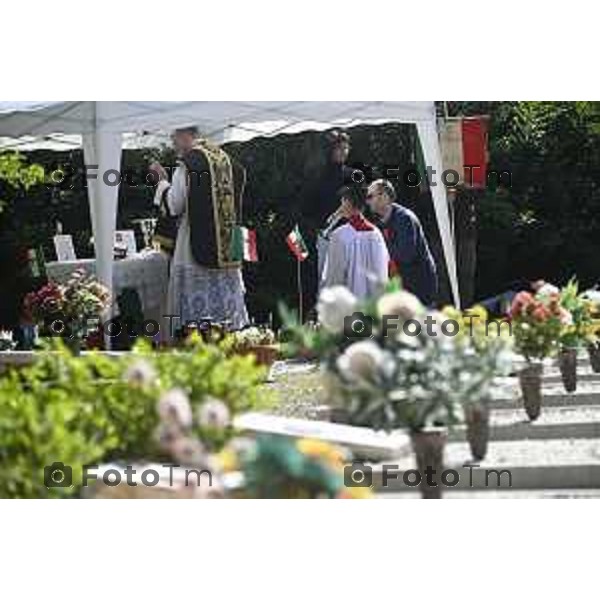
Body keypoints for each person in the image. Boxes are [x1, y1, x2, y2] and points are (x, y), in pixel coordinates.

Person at [150, 126, 249, 338]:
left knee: (196, 321)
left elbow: (173, 206)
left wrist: (162, 182)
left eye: (174, 135)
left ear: (188, 134)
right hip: (229, 248)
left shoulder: (190, 163)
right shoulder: (227, 161)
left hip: (195, 248)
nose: (172, 141)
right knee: (225, 318)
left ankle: (197, 350)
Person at [366, 179, 438, 305]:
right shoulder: (381, 222)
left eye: (370, 196)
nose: (367, 201)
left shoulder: (404, 218)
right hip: (404, 289)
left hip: (419, 287)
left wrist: (380, 249)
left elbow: (406, 254)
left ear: (384, 196)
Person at [321, 187, 389, 299]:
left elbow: (334, 279)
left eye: (342, 202)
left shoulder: (339, 235)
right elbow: (383, 271)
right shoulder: (377, 234)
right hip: (373, 306)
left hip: (350, 308)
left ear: (347, 202)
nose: (340, 207)